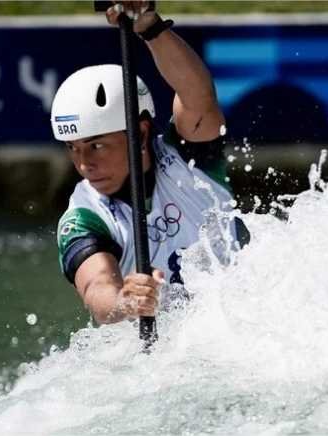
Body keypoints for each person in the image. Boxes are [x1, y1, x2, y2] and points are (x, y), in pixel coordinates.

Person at [51, 1, 245, 325]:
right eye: (73, 148)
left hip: (242, 321)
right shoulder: (84, 217)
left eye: (96, 145)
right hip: (170, 354)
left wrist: (149, 27)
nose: (84, 164)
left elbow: (198, 96)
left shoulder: (188, 157)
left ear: (140, 134)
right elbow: (96, 285)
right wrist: (123, 302)